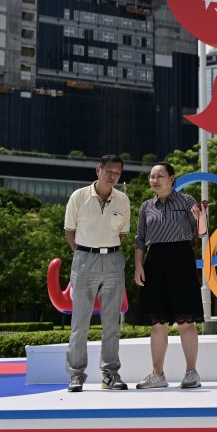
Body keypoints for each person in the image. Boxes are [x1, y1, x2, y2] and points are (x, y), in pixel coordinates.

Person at [134, 161, 209, 390]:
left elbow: (202, 231)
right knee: (158, 322)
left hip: (181, 259)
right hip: (154, 261)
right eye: (151, 176)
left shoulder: (187, 201)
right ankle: (157, 374)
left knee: (186, 321)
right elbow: (139, 239)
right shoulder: (146, 206)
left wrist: (201, 216)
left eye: (159, 176)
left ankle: (191, 373)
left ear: (172, 178)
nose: (154, 180)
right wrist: (138, 265)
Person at [64, 154, 131, 392]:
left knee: (112, 323)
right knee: (79, 322)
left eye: (117, 173)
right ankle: (76, 375)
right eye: (109, 171)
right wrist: (84, 253)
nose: (113, 176)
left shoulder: (122, 199)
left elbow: (122, 233)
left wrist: (105, 250)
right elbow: (69, 231)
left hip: (113, 259)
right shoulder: (79, 196)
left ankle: (110, 374)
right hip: (84, 259)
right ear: (98, 170)